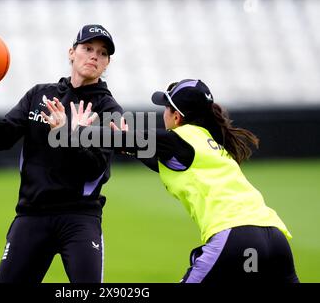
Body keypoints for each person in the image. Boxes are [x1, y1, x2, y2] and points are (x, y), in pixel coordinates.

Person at [43, 79, 300, 283]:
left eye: (166, 107)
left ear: (176, 116)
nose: (163, 113)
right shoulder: (210, 144)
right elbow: (157, 159)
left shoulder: (180, 138)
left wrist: (70, 129)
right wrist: (127, 143)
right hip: (275, 238)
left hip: (235, 237)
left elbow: (126, 140)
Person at [0, 24, 123, 283]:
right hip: (32, 214)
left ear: (107, 63)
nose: (95, 56)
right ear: (71, 53)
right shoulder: (39, 94)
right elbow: (1, 138)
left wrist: (68, 135)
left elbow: (94, 169)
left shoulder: (108, 109)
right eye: (88, 48)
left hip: (79, 218)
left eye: (103, 53)